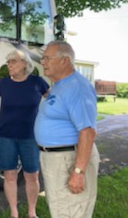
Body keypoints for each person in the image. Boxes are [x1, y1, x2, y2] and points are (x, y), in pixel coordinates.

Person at [34, 40, 100, 218]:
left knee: (71, 211)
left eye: (47, 58)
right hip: (57, 159)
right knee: (61, 208)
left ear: (65, 60)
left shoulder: (76, 87)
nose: (43, 62)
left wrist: (78, 172)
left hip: (69, 159)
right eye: (43, 58)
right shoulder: (60, 85)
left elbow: (88, 131)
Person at [0, 50, 50, 218]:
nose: (9, 65)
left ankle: (31, 212)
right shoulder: (3, 84)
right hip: (6, 136)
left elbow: (53, 102)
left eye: (13, 61)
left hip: (30, 136)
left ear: (25, 64)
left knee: (32, 175)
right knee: (10, 176)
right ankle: (14, 212)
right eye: (8, 62)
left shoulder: (38, 82)